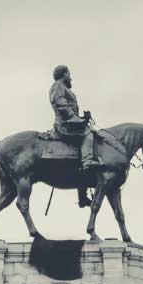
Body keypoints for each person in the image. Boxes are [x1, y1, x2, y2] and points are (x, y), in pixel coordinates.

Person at [49, 65, 102, 208]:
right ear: (63, 74)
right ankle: (87, 161)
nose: (70, 77)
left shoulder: (64, 87)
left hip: (70, 121)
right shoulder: (58, 86)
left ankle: (82, 196)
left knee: (88, 133)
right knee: (88, 134)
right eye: (69, 74)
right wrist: (76, 119)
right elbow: (60, 105)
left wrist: (81, 117)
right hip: (64, 124)